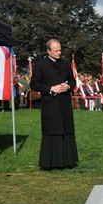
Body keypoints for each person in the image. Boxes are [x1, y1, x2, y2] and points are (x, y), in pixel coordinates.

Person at [30, 39, 78, 169]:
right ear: (48, 51)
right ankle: (52, 162)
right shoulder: (41, 65)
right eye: (56, 51)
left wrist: (68, 86)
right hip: (50, 103)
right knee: (52, 131)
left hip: (65, 103)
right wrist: (51, 88)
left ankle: (69, 161)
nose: (59, 53)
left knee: (66, 130)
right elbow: (34, 83)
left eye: (60, 50)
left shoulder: (66, 64)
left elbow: (73, 81)